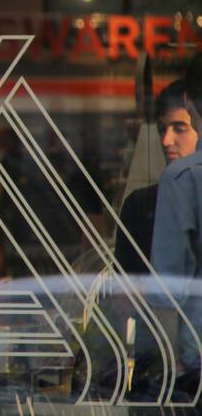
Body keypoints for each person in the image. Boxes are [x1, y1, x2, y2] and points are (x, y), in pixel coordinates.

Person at [151, 54, 202, 385]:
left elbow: (166, 288)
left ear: (189, 100)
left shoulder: (184, 178)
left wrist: (170, 372)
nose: (168, 140)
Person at [115, 80, 198, 273]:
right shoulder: (140, 206)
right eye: (163, 129)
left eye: (179, 128)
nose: (166, 140)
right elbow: (127, 289)